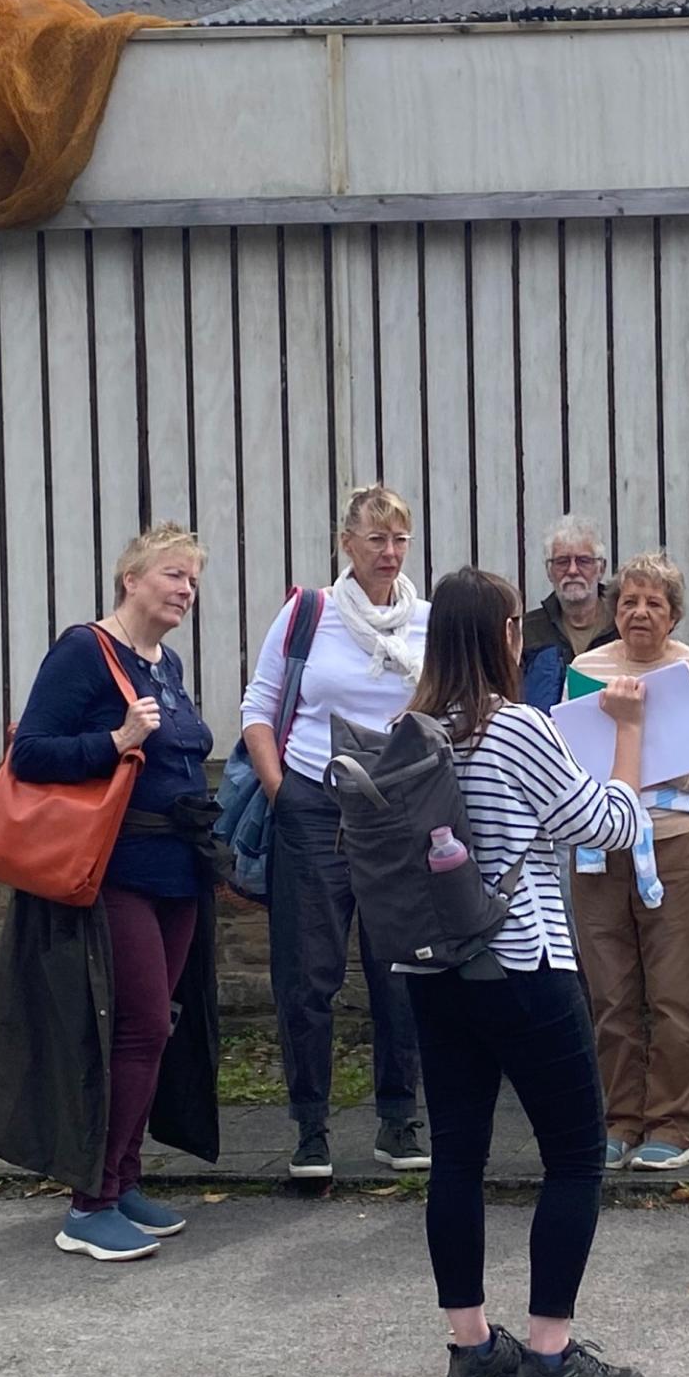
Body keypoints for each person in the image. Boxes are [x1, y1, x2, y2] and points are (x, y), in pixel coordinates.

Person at [398, 567, 652, 1377]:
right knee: (576, 1153)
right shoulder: (518, 728)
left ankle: (470, 1346)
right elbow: (604, 825)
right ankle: (549, 1354)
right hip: (523, 966)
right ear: (506, 635)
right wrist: (628, 737)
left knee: (458, 1156)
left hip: (434, 970)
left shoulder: (407, 729)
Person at [5, 523, 218, 1262]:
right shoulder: (83, 651)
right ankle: (89, 1202)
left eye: (192, 579)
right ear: (130, 579)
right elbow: (30, 750)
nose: (186, 589)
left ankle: (124, 1179)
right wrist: (115, 739)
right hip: (117, 869)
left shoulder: (168, 661)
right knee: (137, 1024)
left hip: (178, 870)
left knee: (157, 1025)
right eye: (173, 574)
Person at [239, 485, 434, 1179]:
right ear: (346, 543)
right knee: (309, 972)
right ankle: (311, 1127)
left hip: (398, 814)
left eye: (400, 538)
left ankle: (397, 1118)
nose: (389, 552)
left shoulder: (428, 622)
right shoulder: (307, 615)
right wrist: (282, 791)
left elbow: (450, 707)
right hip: (315, 807)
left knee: (401, 972)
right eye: (376, 538)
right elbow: (258, 708)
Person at [569, 551, 689, 1172]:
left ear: (673, 615)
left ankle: (673, 1122)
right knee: (610, 994)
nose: (638, 612)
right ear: (612, 610)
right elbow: (574, 761)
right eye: (627, 601)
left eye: (653, 603)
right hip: (599, 848)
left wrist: (639, 743)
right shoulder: (585, 668)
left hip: (674, 842)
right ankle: (619, 1120)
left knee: (672, 993)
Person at [520, 516, 620, 712]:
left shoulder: (624, 626)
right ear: (549, 571)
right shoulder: (527, 631)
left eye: (584, 561)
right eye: (562, 562)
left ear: (602, 568)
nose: (573, 570)